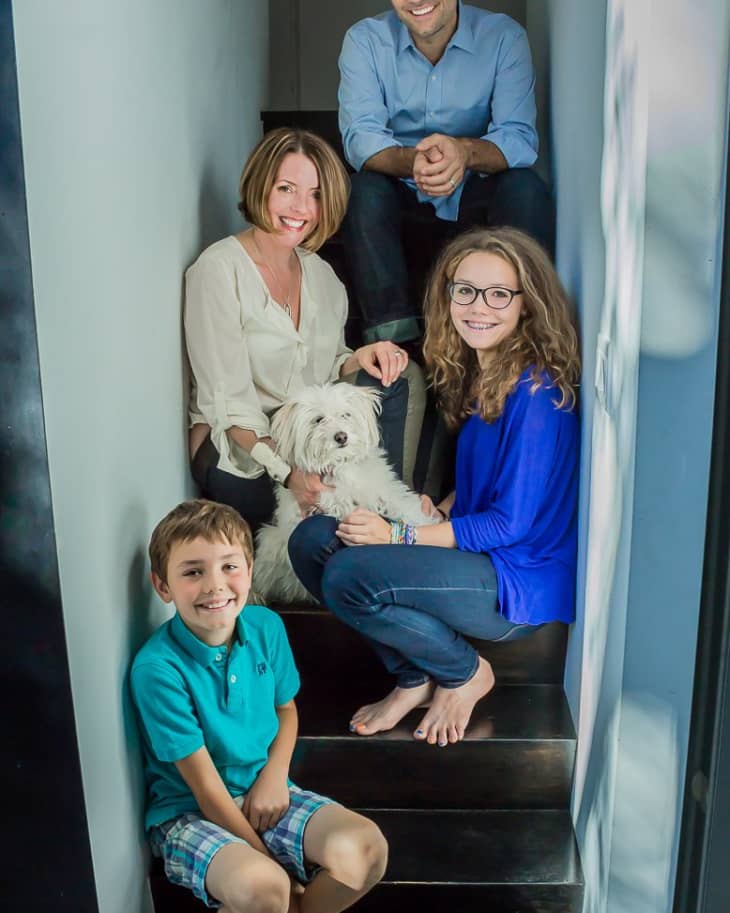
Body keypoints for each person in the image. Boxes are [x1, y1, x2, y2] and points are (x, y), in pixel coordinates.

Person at [288, 227, 580, 748]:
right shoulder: (484, 372)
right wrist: (442, 507)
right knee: (311, 542)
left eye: (498, 294)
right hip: (481, 554)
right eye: (464, 290)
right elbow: (485, 486)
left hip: (517, 579)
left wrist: (398, 534)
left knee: (352, 572)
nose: (478, 307)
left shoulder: (536, 393)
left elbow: (509, 524)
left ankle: (464, 672)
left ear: (526, 305)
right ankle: (412, 677)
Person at [131, 499, 388, 912]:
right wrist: (273, 865)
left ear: (249, 572)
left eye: (229, 566)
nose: (215, 585)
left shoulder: (267, 626)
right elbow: (206, 790)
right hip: (188, 812)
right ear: (163, 586)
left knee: (366, 849)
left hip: (264, 791)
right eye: (193, 572)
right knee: (264, 888)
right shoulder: (158, 669)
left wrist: (274, 777)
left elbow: (286, 710)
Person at [185, 127, 425, 533]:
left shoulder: (323, 276)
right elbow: (228, 407)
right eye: (286, 188)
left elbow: (326, 365)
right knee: (321, 522)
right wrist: (289, 473)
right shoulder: (217, 271)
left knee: (396, 379)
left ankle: (391, 521)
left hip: (309, 438)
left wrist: (357, 358)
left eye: (315, 194)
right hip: (241, 452)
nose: (302, 207)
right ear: (260, 186)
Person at [337, 0, 554, 346]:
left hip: (475, 193)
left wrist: (463, 153)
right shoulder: (364, 41)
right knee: (361, 191)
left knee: (525, 188)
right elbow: (360, 139)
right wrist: (414, 162)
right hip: (400, 194)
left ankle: (523, 339)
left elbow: (518, 137)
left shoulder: (503, 38)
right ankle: (398, 348)